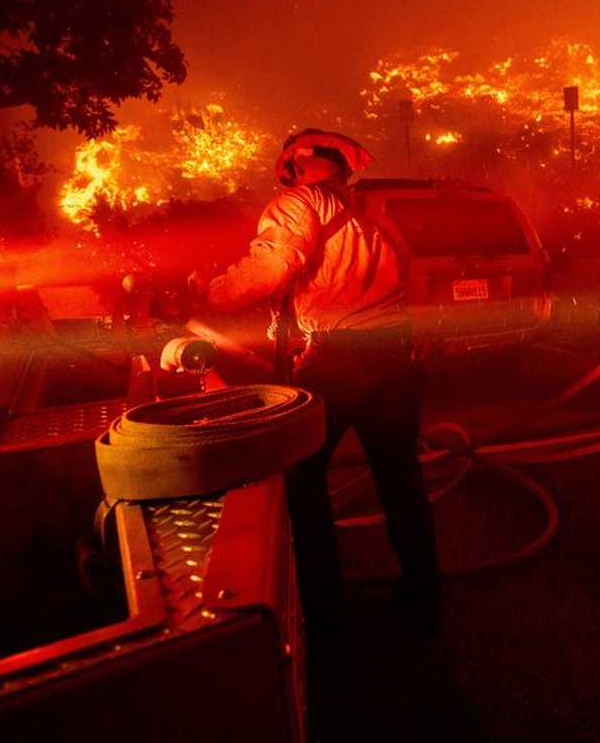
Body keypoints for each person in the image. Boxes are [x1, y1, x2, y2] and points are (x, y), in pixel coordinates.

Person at [189, 128, 441, 635]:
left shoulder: (299, 204)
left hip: (342, 360)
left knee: (302, 477)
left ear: (296, 167)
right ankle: (422, 593)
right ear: (343, 168)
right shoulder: (377, 220)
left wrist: (207, 296)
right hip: (396, 354)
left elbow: (270, 268)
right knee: (399, 475)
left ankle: (321, 606)